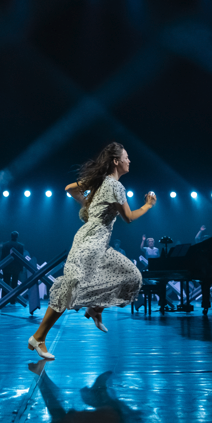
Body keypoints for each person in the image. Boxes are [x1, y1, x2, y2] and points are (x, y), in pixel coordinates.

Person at [28, 142, 157, 360]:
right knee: (75, 285)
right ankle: (39, 337)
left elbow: (70, 188)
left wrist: (87, 204)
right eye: (126, 157)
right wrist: (148, 205)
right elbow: (128, 217)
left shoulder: (100, 181)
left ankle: (95, 309)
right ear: (116, 161)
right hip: (92, 243)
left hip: (92, 240)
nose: (129, 160)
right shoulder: (116, 186)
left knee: (129, 275)